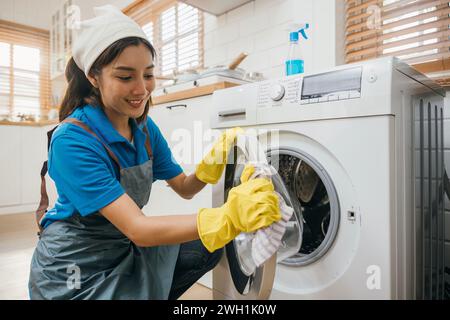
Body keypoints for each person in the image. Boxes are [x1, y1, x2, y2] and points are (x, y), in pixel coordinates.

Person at [28, 5, 281, 300]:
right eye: (125, 77)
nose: (141, 89)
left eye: (148, 75)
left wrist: (214, 161)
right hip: (74, 268)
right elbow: (139, 228)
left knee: (212, 246)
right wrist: (227, 216)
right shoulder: (73, 141)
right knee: (213, 230)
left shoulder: (144, 131)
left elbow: (185, 188)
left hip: (122, 247)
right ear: (94, 77)